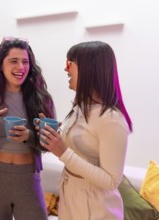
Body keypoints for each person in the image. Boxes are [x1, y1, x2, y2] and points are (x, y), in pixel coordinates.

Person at [39, 41, 133, 220]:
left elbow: (111, 181)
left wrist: (63, 152)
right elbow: (81, 146)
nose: (65, 69)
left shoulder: (111, 119)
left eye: (70, 64)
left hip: (96, 207)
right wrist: (54, 135)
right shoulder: (81, 107)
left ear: (90, 69)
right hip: (71, 196)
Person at [0, 37, 56, 220]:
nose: (21, 67)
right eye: (13, 61)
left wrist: (29, 136)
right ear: (0, 65)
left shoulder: (42, 99)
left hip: (28, 178)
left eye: (25, 62)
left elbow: (50, 144)